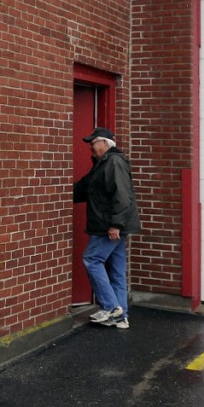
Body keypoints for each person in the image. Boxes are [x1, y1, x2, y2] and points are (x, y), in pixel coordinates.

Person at [73, 126, 141, 329]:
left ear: (104, 142)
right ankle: (122, 316)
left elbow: (122, 196)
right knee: (117, 270)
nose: (91, 148)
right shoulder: (102, 164)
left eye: (93, 143)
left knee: (92, 259)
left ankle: (111, 308)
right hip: (112, 226)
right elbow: (85, 188)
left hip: (109, 226)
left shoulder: (113, 162)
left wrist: (115, 224)